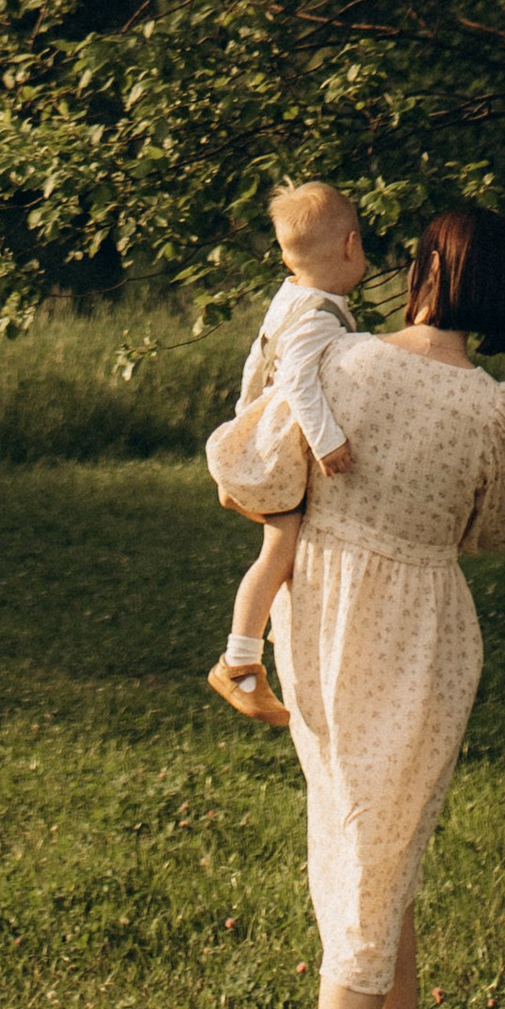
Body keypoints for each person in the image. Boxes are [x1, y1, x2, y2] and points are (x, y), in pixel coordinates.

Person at [269, 202, 505, 1009]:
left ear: (419, 268)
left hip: (314, 618)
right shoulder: (492, 410)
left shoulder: (335, 362)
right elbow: (501, 528)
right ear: (498, 289)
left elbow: (275, 470)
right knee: (372, 861)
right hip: (414, 629)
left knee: (371, 832)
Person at [205, 182, 367, 725]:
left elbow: (258, 362)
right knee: (279, 549)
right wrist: (328, 439)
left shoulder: (290, 296)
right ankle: (239, 664)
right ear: (350, 247)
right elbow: (297, 379)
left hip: (263, 438)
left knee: (288, 550)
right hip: (282, 447)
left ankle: (275, 642)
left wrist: (242, 420)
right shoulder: (320, 315)